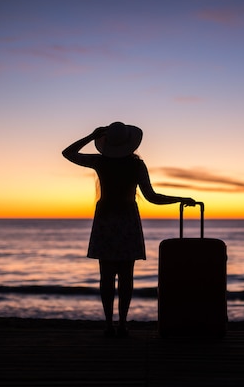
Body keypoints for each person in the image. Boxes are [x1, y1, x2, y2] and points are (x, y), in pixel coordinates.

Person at [63, 121, 195, 337]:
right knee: (126, 276)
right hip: (127, 220)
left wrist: (90, 136)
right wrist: (180, 198)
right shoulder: (136, 165)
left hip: (105, 219)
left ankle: (108, 325)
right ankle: (122, 324)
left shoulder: (100, 162)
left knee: (106, 276)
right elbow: (152, 197)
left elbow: (68, 153)